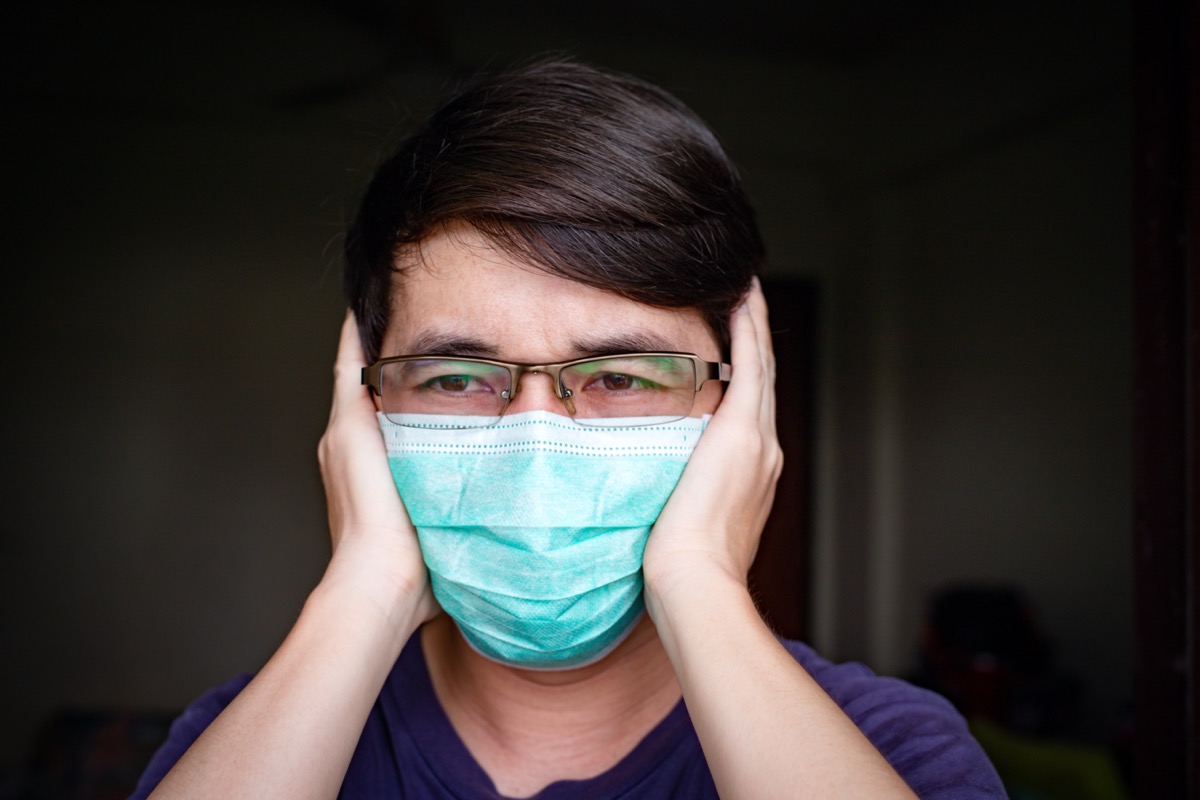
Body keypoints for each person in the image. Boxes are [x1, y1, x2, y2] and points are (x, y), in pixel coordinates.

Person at [133, 58, 1004, 799]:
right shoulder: (249, 742)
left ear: (737, 407)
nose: (535, 445)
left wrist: (699, 581)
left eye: (620, 375)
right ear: (365, 414)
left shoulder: (893, 746)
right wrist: (364, 590)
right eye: (460, 376)